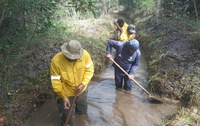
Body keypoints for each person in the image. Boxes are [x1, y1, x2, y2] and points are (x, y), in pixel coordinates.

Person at [50, 40, 94, 126]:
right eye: (70, 57)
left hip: (81, 91)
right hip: (65, 93)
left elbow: (90, 70)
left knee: (82, 113)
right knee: (67, 119)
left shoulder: (85, 55)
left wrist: (83, 84)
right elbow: (56, 82)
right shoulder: (56, 61)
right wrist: (64, 97)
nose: (72, 59)